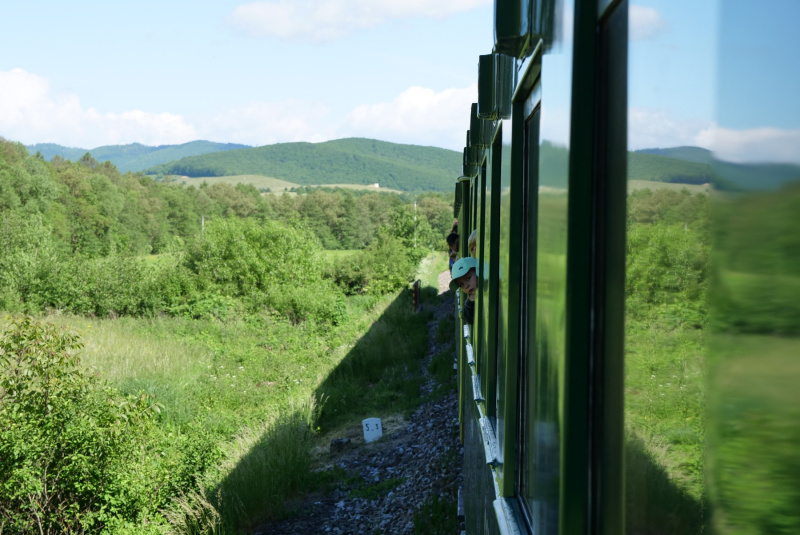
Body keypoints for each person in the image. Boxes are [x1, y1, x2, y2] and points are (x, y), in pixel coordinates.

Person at [449, 257, 478, 324]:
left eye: (468, 278)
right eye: (461, 284)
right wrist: (469, 302)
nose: (466, 286)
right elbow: (468, 318)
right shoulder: (471, 299)